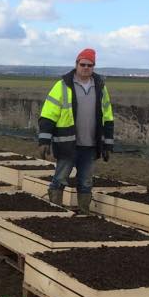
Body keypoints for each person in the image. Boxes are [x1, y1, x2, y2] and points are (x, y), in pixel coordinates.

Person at [37, 48, 114, 214]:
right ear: (76, 64)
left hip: (90, 145)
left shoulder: (100, 87)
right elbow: (48, 114)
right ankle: (55, 211)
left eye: (90, 65)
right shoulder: (62, 86)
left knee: (86, 181)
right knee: (60, 179)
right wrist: (44, 140)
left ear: (94, 66)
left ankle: (83, 211)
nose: (86, 67)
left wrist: (107, 144)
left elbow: (107, 117)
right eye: (83, 64)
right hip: (67, 143)